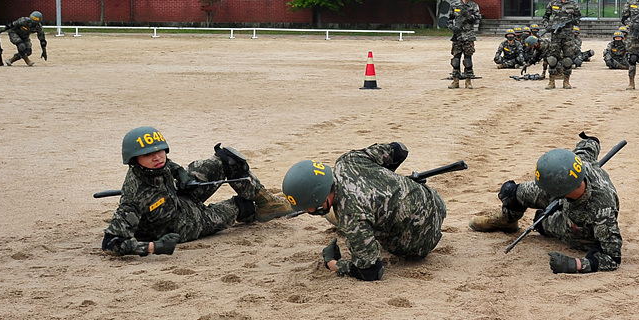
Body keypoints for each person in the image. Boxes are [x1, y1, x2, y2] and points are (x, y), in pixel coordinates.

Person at [101, 127, 293, 257]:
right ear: (134, 160)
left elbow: (168, 163)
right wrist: (154, 247)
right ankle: (255, 208)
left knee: (227, 159)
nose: (157, 157)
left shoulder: (155, 165)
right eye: (148, 154)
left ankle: (267, 203)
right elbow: (110, 243)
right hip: (186, 224)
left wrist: (182, 174)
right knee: (242, 206)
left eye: (160, 150)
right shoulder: (134, 199)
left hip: (180, 197)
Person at [282, 142, 446, 281]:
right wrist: (386, 182)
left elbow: (371, 271)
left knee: (353, 231)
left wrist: (333, 263)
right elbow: (399, 150)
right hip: (435, 201)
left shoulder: (351, 216)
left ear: (318, 198)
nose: (307, 210)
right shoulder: (349, 161)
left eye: (307, 207)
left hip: (422, 243)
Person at [468, 132, 622, 274]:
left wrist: (575, 264)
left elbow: (613, 258)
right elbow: (587, 148)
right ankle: (507, 221)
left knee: (540, 221)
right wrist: (590, 139)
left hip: (580, 227)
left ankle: (547, 221)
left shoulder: (602, 210)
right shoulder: (578, 164)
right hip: (566, 197)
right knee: (511, 193)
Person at [541, 0, 582, 89]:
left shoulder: (573, 4)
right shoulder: (552, 4)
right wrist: (547, 26)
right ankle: (551, 81)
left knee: (568, 60)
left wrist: (575, 21)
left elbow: (579, 18)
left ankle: (566, 81)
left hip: (568, 36)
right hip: (556, 35)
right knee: (553, 59)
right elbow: (545, 17)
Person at [447, 0, 482, 88]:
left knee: (467, 59)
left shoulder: (474, 6)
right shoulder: (454, 5)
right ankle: (455, 80)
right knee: (456, 59)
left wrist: (469, 16)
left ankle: (468, 80)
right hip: (457, 36)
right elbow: (449, 20)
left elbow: (477, 20)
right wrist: (452, 28)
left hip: (468, 35)